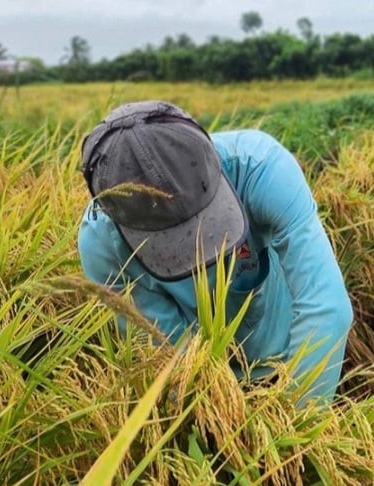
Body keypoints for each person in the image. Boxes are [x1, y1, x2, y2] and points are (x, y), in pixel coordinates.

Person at [77, 100, 353, 404]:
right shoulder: (102, 246)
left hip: (299, 356)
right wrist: (220, 414)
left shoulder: (260, 168)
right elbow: (170, 357)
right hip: (212, 383)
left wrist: (296, 424)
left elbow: (326, 307)